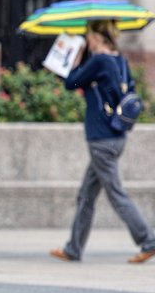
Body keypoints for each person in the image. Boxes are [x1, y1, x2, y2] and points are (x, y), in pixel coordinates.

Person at [50, 19, 155, 264]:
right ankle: (73, 248)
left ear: (97, 37)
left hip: (101, 138)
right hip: (117, 135)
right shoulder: (120, 61)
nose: (86, 41)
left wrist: (76, 59)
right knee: (86, 195)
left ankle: (148, 239)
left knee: (116, 194)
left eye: (88, 36)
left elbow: (71, 82)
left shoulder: (99, 61)